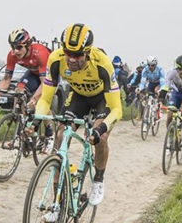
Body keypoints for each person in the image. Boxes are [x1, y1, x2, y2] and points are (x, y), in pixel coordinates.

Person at [35, 23, 121, 207]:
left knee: (101, 137)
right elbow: (45, 99)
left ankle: (98, 179)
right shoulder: (56, 59)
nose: (71, 59)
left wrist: (101, 129)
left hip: (101, 100)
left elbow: (116, 110)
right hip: (78, 97)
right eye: (68, 53)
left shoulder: (103, 64)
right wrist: (36, 119)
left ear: (88, 52)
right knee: (60, 134)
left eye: (77, 55)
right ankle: (57, 201)